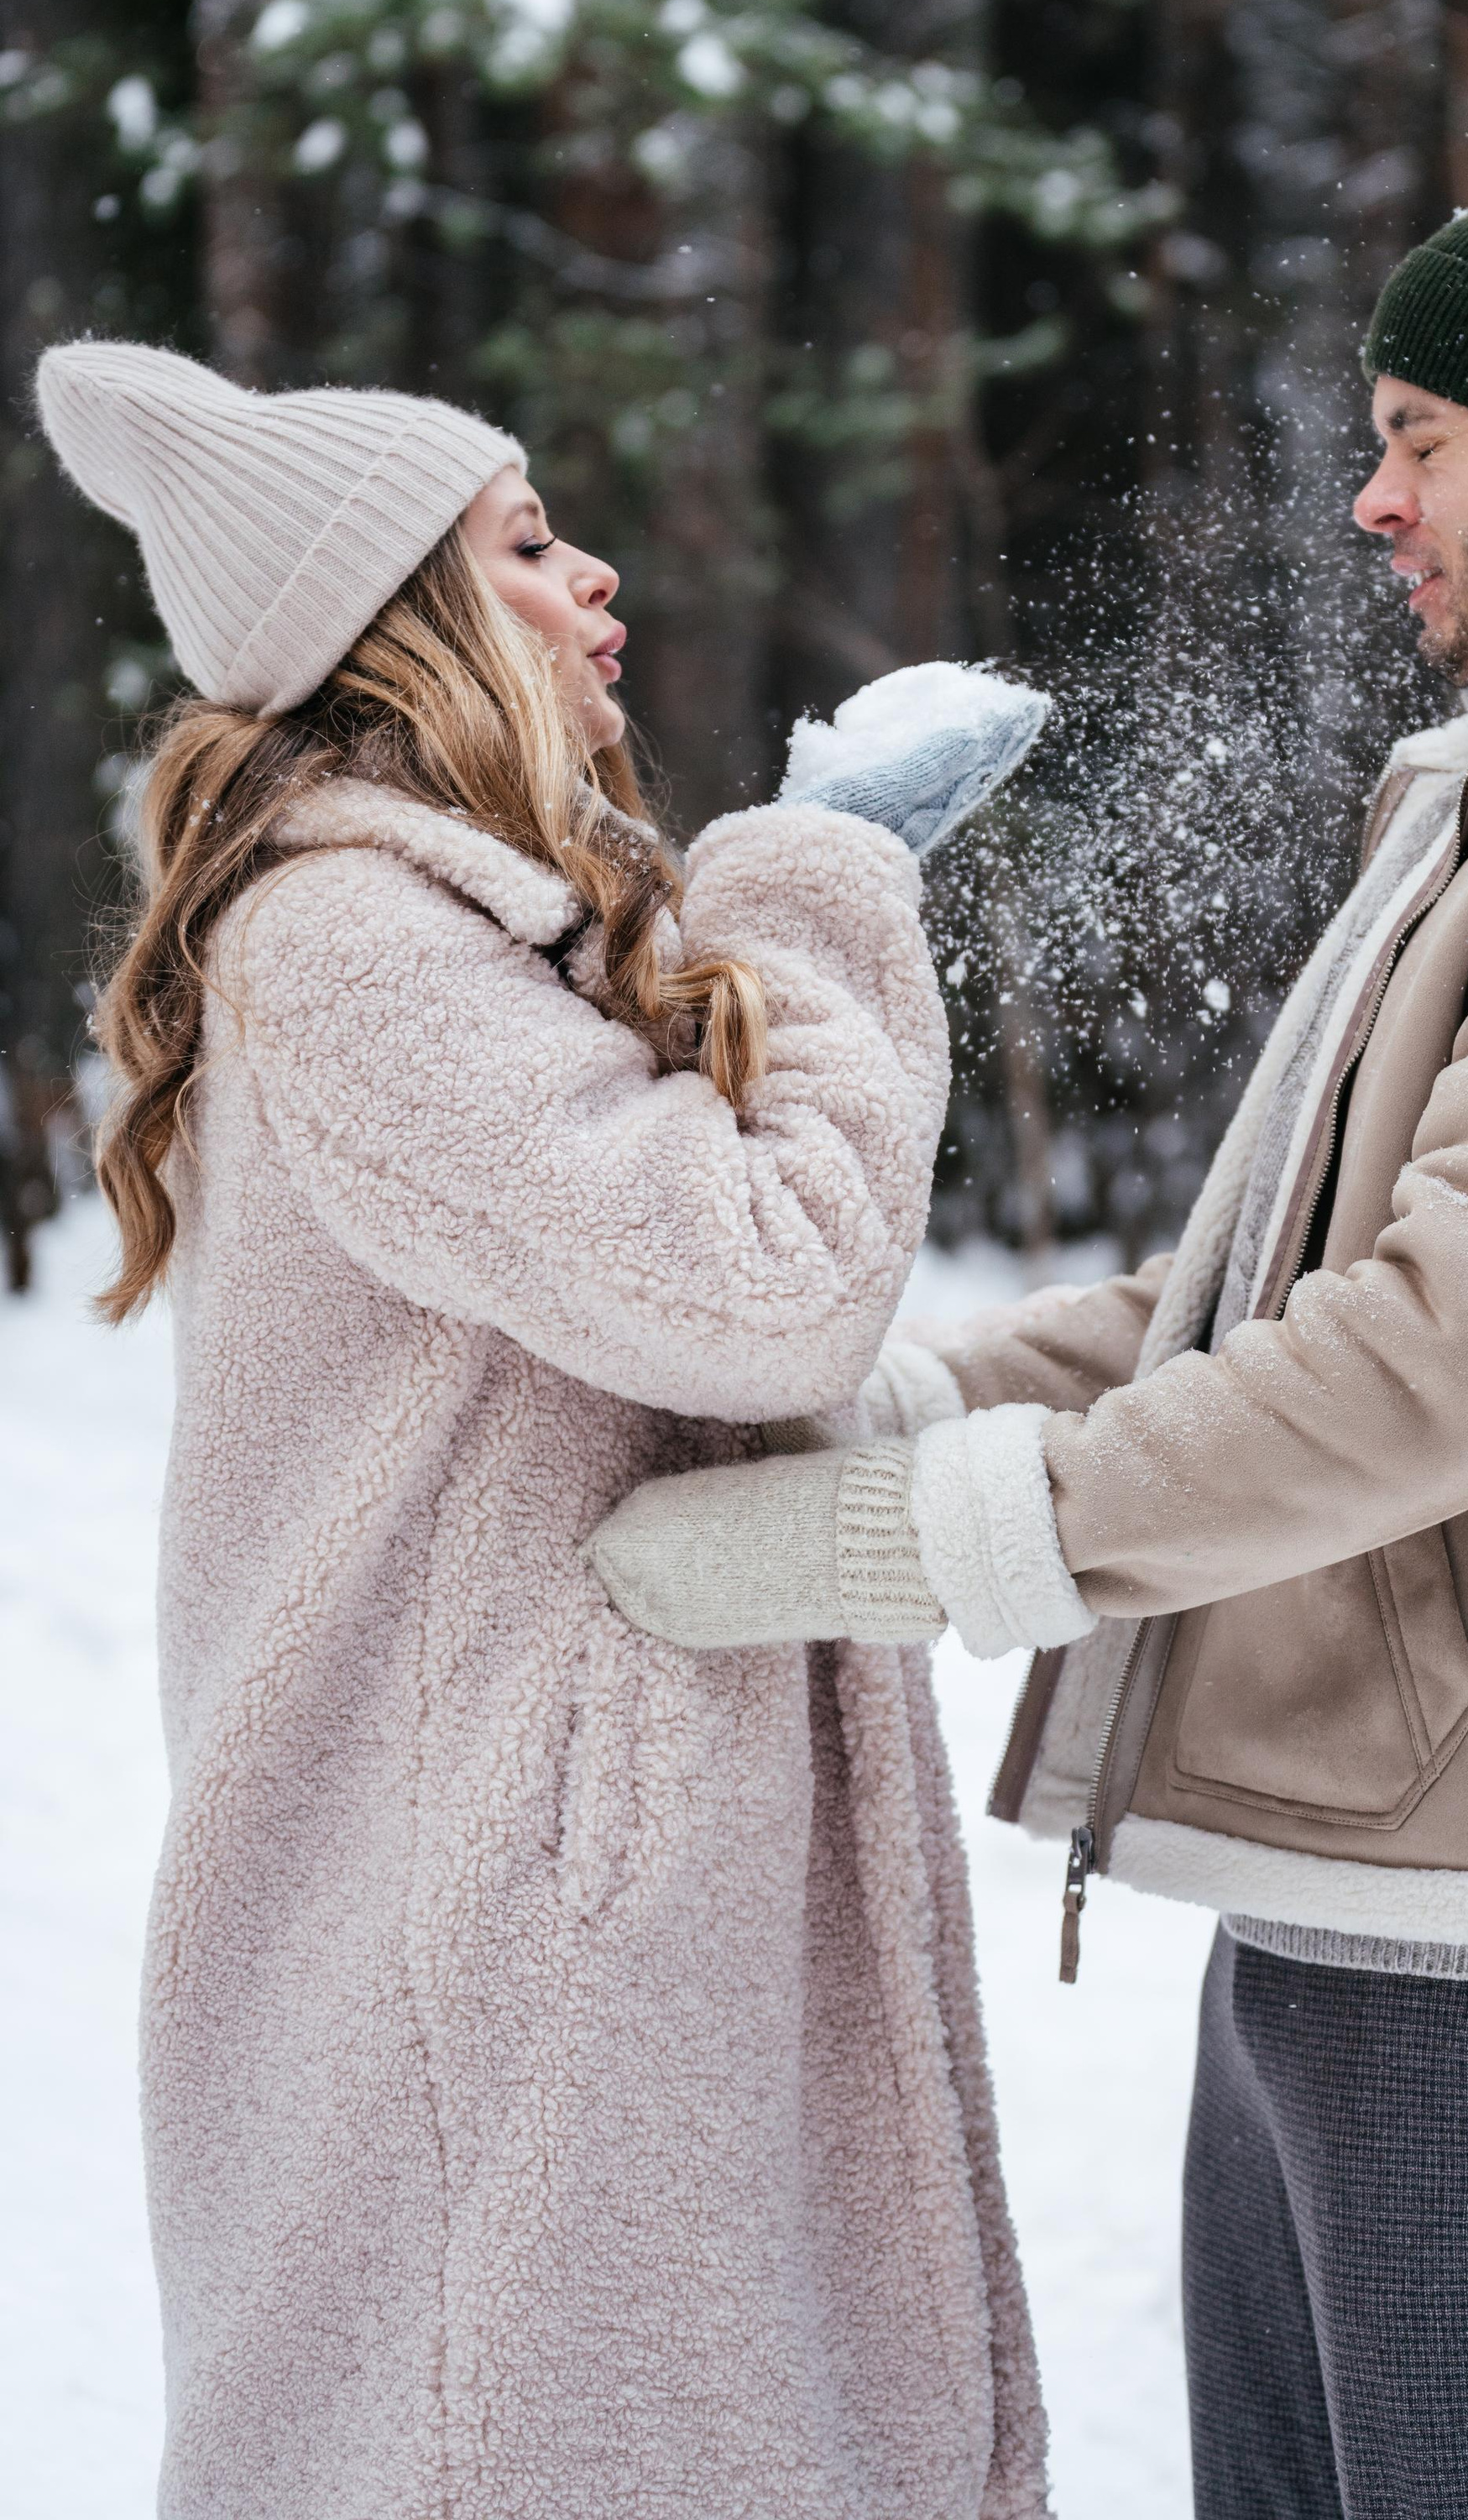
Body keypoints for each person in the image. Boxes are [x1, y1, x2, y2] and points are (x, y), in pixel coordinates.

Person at [589, 133, 1468, 2520]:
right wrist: (882, 1412)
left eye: (1424, 436)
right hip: (1381, 1876)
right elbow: (1253, 1298)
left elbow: (1433, 1368)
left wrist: (912, 1545)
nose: (1370, 497)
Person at [35, 339, 1049, 2520]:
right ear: (398, 619)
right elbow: (763, 1282)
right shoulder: (350, 943)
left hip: (566, 1895)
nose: (591, 577)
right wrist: (819, 884)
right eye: (523, 543)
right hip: (503, 1945)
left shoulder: (466, 929)